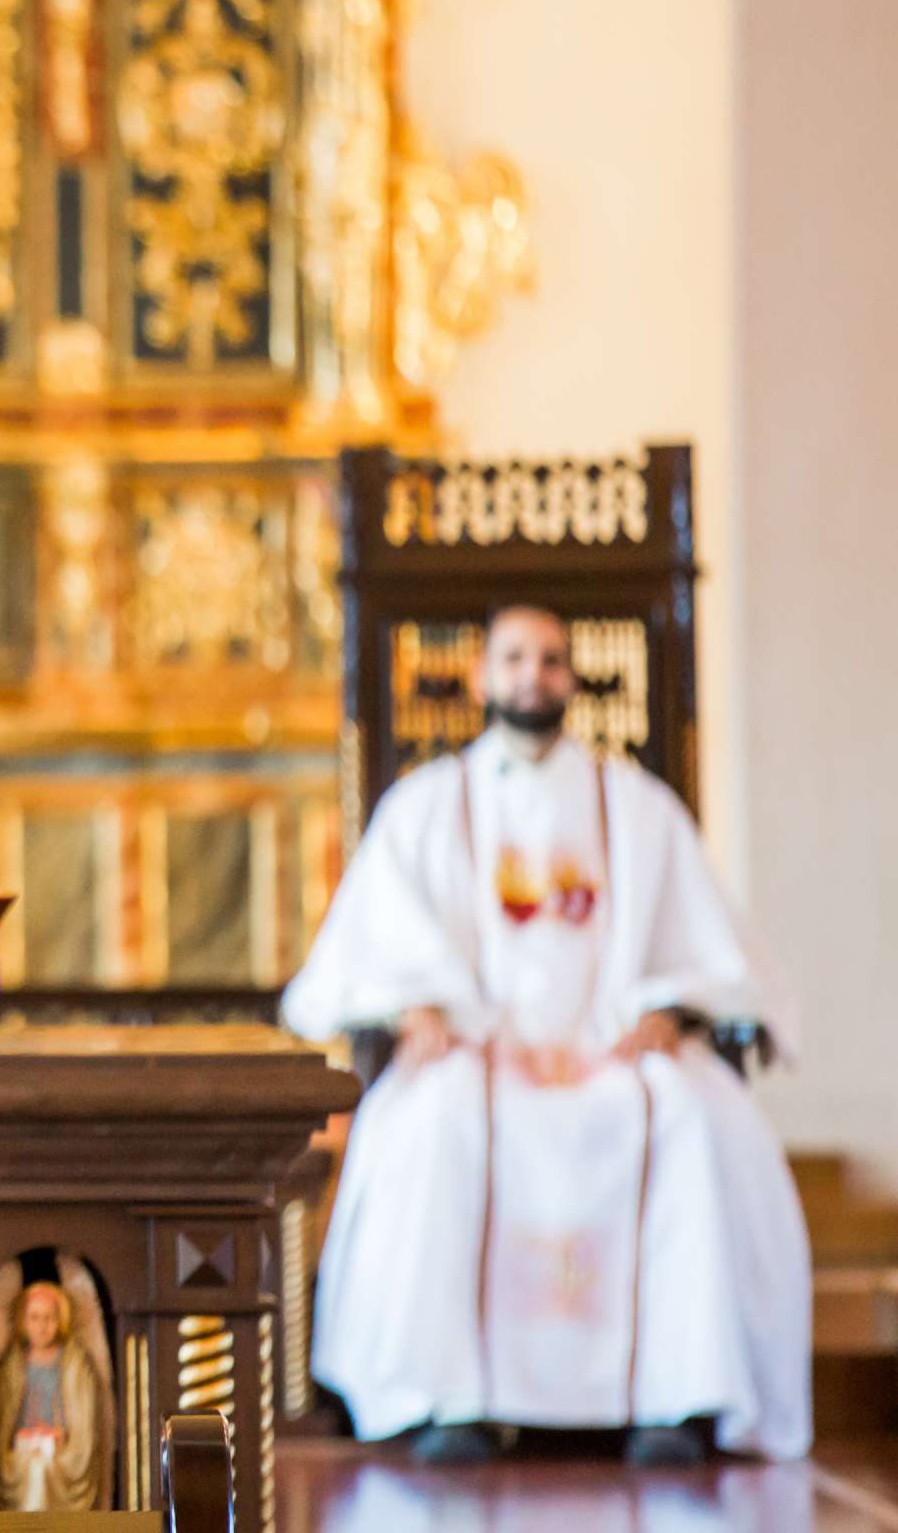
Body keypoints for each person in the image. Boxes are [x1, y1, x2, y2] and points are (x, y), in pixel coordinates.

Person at [284, 605, 811, 1466]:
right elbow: (367, 949)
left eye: (553, 659)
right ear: (484, 677)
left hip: (612, 1054)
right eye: (516, 658)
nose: (535, 674)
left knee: (694, 1122)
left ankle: (674, 1396)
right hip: (473, 1053)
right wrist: (420, 1013)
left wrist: (666, 1014)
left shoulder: (634, 805)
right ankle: (450, 1399)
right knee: (435, 1126)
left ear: (573, 678)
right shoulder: (428, 804)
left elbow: (703, 947)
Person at [0, 1281, 108, 1511]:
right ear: (23, 1320)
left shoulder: (75, 1364)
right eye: (35, 1318)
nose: (42, 1326)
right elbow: (2, 1421)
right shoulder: (11, 1365)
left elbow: (83, 1418)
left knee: (41, 1468)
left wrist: (58, 1435)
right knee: (33, 1467)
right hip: (22, 1453)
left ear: (60, 1318)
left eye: (49, 1318)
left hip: (62, 1455)